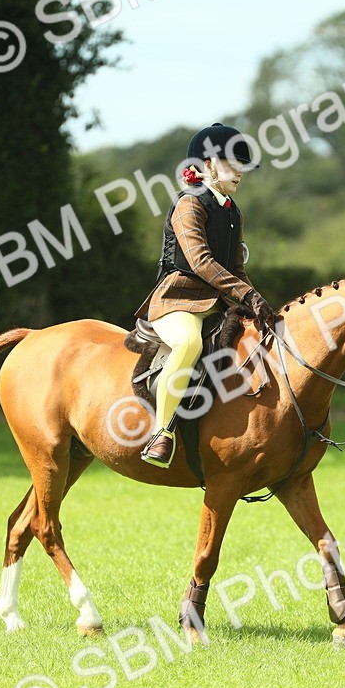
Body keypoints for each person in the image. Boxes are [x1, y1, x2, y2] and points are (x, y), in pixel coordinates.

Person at [134, 123, 276, 468]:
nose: (240, 172)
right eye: (232, 164)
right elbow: (201, 262)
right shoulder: (189, 204)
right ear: (209, 164)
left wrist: (255, 299)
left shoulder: (231, 210)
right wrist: (244, 294)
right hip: (178, 300)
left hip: (217, 303)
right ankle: (162, 433)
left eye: (243, 166)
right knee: (189, 345)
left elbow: (235, 267)